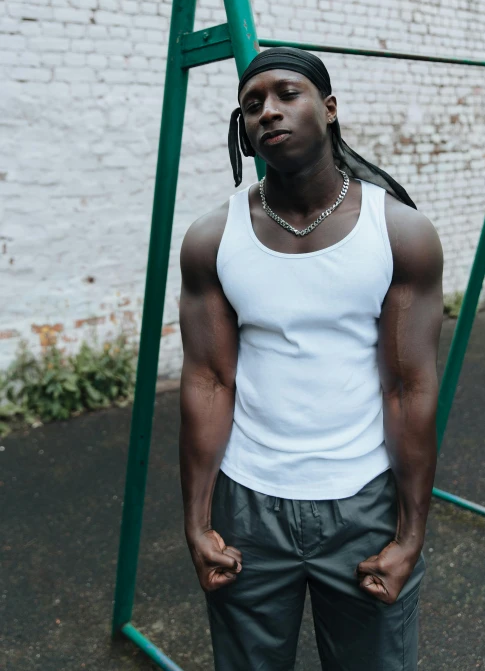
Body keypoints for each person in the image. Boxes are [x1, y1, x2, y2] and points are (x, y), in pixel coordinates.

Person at [179, 47, 443, 670]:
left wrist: (410, 534)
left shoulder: (400, 233)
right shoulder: (212, 239)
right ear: (244, 131)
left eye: (286, 94)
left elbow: (410, 388)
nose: (267, 110)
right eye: (251, 105)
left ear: (328, 109)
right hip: (246, 507)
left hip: (363, 501)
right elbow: (208, 381)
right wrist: (196, 521)